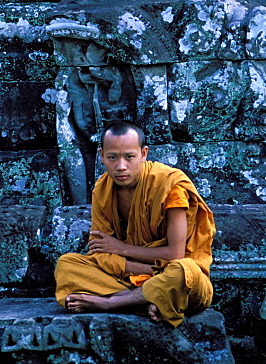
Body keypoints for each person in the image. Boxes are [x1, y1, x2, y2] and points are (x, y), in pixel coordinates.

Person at [55, 119, 215, 327]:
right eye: (112, 157)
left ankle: (113, 303)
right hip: (138, 277)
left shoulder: (169, 185)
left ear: (143, 153)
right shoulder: (102, 189)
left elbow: (175, 254)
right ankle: (149, 300)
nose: (121, 166)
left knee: (184, 271)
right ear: (102, 156)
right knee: (67, 266)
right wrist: (149, 272)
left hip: (179, 279)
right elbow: (100, 251)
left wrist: (120, 249)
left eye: (129, 157)